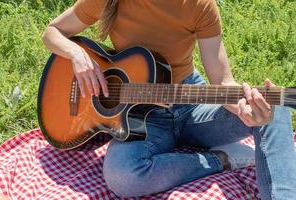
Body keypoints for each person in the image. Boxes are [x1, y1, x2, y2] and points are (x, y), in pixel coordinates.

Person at [42, 0, 296, 199]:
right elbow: (52, 32)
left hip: (190, 104)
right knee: (123, 176)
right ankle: (222, 159)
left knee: (273, 105)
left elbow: (222, 81)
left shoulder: (199, 4)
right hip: (140, 117)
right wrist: (76, 54)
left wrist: (244, 109)